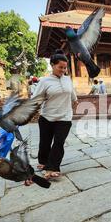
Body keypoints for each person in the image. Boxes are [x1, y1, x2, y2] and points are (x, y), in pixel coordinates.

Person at [29, 49, 79, 183]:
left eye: (65, 67)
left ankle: (52, 168)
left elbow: (74, 97)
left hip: (64, 118)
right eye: (60, 67)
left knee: (58, 142)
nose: (63, 70)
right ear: (52, 65)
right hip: (47, 117)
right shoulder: (44, 81)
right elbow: (36, 100)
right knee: (45, 142)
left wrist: (72, 109)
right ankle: (43, 162)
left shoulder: (68, 80)